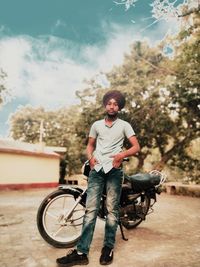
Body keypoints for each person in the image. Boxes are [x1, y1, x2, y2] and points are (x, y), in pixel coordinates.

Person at [56, 90, 140, 266]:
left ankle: (107, 248)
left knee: (112, 211)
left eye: (116, 104)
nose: (112, 106)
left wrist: (120, 155)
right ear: (105, 105)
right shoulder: (96, 125)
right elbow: (90, 145)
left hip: (115, 172)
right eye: (109, 103)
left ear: (119, 107)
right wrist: (91, 157)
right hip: (97, 171)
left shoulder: (124, 125)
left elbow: (136, 146)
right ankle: (81, 252)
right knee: (90, 210)